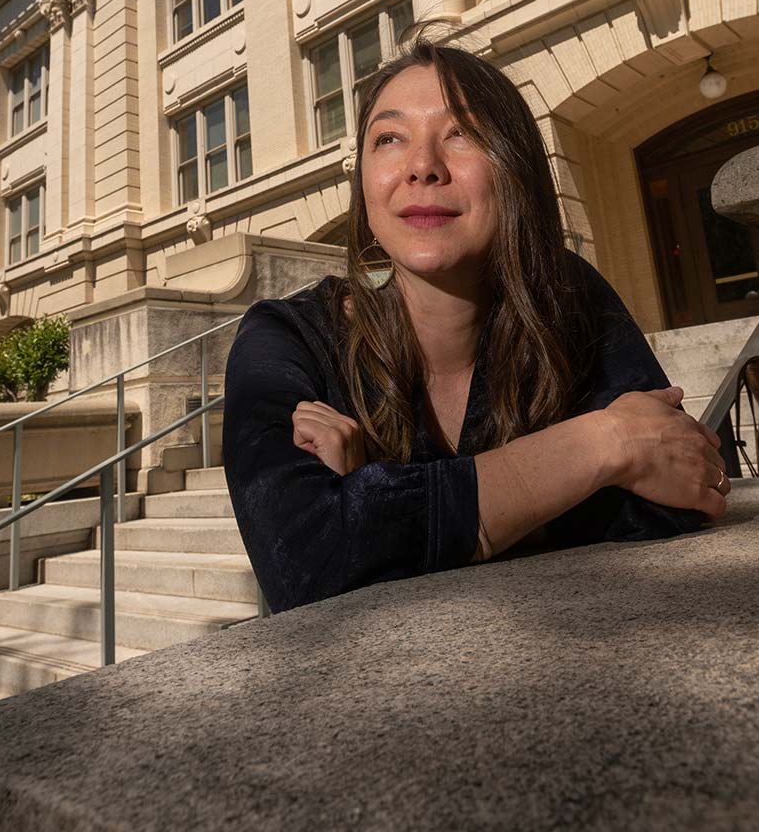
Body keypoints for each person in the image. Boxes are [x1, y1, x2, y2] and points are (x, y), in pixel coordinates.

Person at [222, 36, 729, 614]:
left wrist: (379, 506)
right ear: (362, 180)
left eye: (461, 133)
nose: (421, 168)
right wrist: (603, 443)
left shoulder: (568, 297)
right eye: (389, 138)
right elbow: (306, 564)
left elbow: (687, 487)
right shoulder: (284, 339)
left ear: (515, 164)